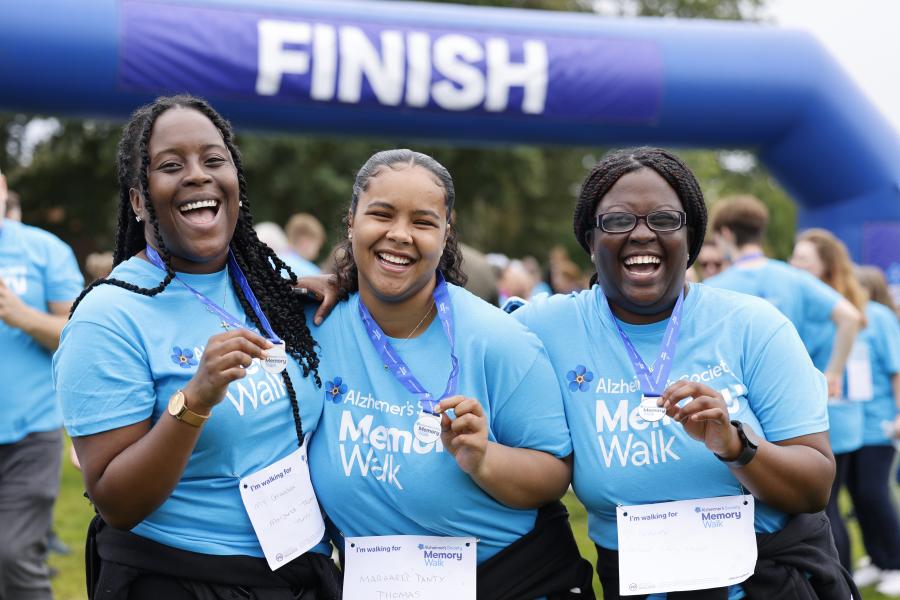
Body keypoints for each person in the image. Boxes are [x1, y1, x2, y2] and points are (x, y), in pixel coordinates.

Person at [512, 148, 852, 599]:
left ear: (691, 238)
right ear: (590, 241)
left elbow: (814, 486)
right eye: (617, 221)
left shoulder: (752, 324)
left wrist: (736, 445)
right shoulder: (547, 327)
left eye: (664, 220)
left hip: (761, 585)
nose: (641, 234)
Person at [53, 95, 341, 599]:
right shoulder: (108, 318)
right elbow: (116, 501)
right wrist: (196, 400)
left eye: (214, 160)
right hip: (180, 579)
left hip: (297, 571)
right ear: (139, 200)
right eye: (171, 165)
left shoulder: (270, 291)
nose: (197, 175)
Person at [305, 149, 593, 599]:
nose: (399, 235)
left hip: (510, 582)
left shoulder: (499, 339)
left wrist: (483, 459)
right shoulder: (312, 326)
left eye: (422, 222)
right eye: (381, 214)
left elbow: (555, 472)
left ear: (445, 233)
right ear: (351, 221)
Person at [0, 166, 84, 599]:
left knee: (14, 556)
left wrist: (18, 314)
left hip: (29, 431)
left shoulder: (43, 249)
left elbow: (76, 335)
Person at [706, 195, 862, 399]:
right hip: (791, 396)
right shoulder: (795, 277)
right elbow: (850, 317)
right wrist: (833, 374)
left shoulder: (713, 289)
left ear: (726, 234)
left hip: (739, 398)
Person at [789, 231, 872, 571]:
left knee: (825, 509)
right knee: (834, 504)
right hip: (848, 422)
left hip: (826, 422)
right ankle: (845, 575)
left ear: (824, 267)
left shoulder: (821, 315)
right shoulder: (844, 304)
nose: (794, 265)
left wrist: (830, 376)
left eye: (803, 259)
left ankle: (838, 577)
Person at [845, 265, 900, 595]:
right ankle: (877, 559)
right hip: (851, 425)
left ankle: (896, 561)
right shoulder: (844, 317)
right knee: (856, 494)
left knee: (873, 491)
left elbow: (896, 369)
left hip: (879, 423)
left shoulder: (879, 317)